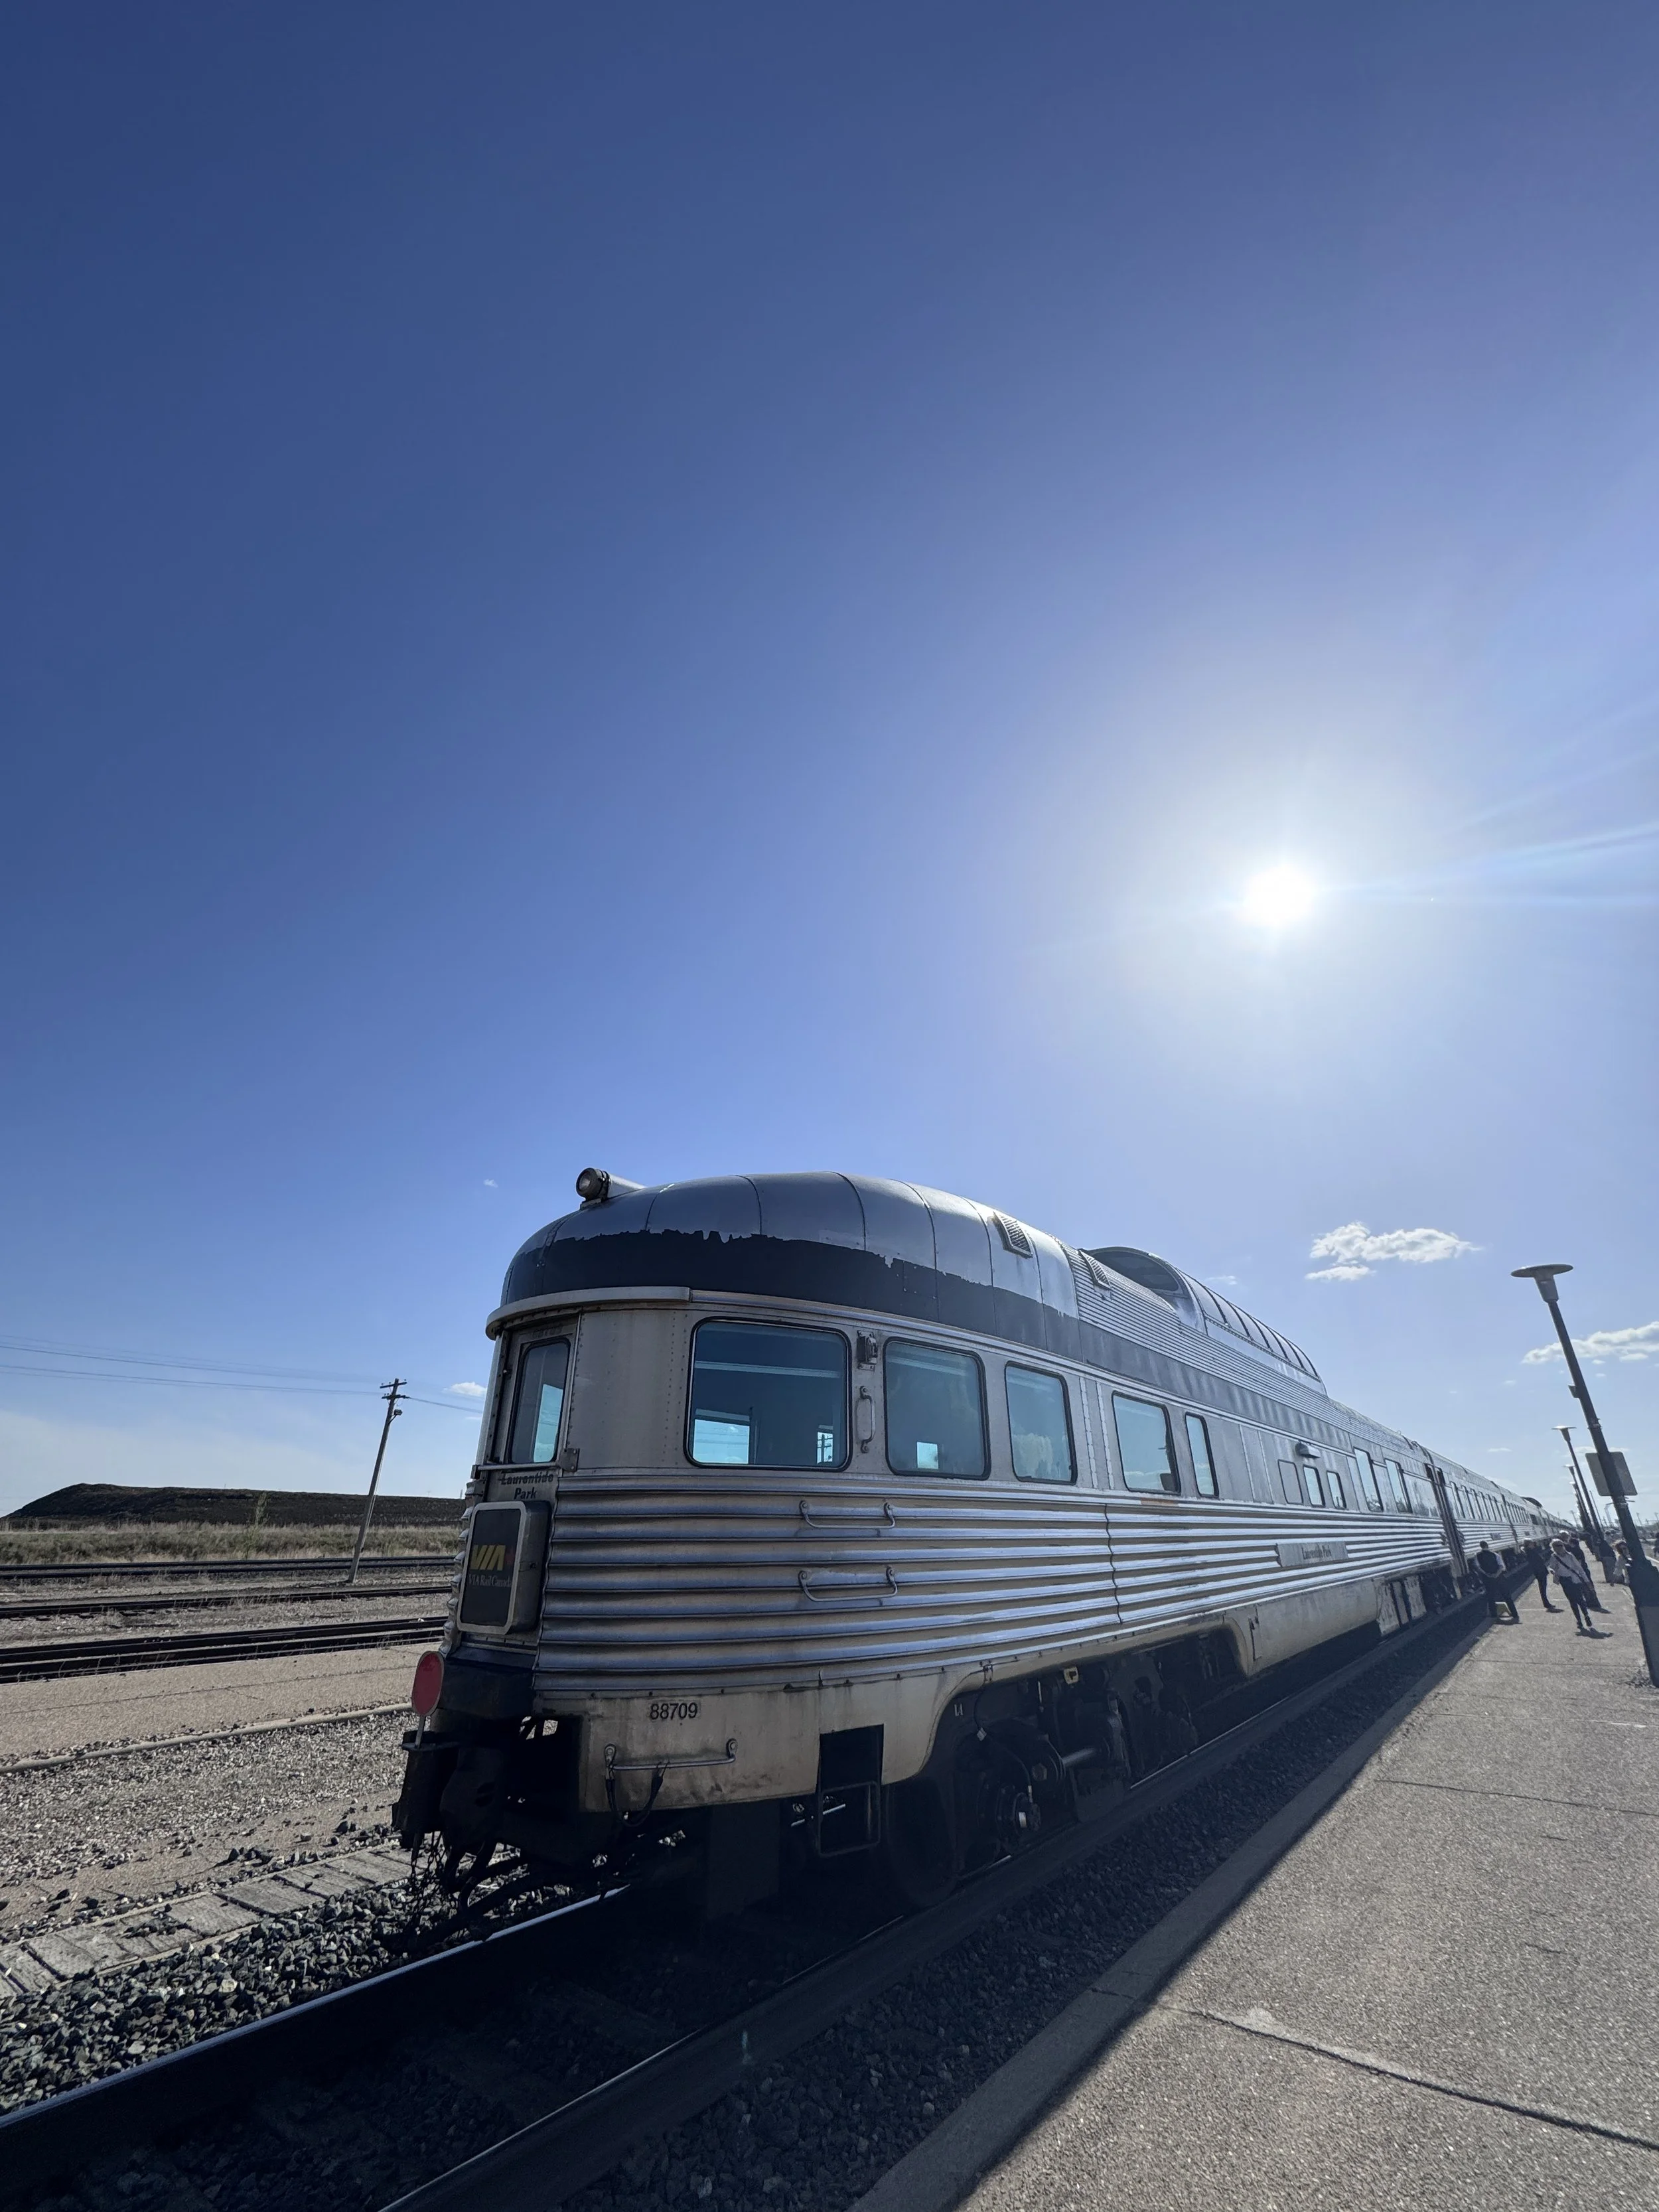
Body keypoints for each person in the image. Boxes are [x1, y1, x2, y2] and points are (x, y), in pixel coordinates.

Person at [1550, 1538, 1604, 1635]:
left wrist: (1587, 1581)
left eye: (1560, 1545)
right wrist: (1554, 1570)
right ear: (1554, 1548)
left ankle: (1585, 1617)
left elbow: (1579, 1568)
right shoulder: (1556, 1557)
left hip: (1573, 1580)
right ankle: (1580, 1619)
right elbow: (1552, 1567)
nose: (1559, 1548)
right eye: (1557, 1546)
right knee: (1575, 1601)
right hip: (1566, 1581)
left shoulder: (1570, 1556)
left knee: (1578, 1600)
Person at [1474, 1541, 1520, 1624]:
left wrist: (1487, 1574)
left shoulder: (1477, 1556)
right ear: (1487, 1546)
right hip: (1499, 1579)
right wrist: (1496, 1574)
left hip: (1488, 1579)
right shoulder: (1495, 1555)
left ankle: (1494, 1617)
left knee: (1491, 1598)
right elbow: (1502, 1567)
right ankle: (1515, 1614)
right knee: (1507, 1596)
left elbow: (1478, 1567)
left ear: (1481, 1546)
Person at [1525, 1540, 1560, 1612]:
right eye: (1532, 1543)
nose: (1533, 1544)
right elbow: (1537, 1562)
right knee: (1543, 1588)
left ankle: (1546, 1603)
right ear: (1529, 1544)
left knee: (1543, 1588)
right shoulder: (1530, 1552)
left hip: (1539, 1572)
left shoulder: (1530, 1552)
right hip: (1540, 1572)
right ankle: (1546, 1603)